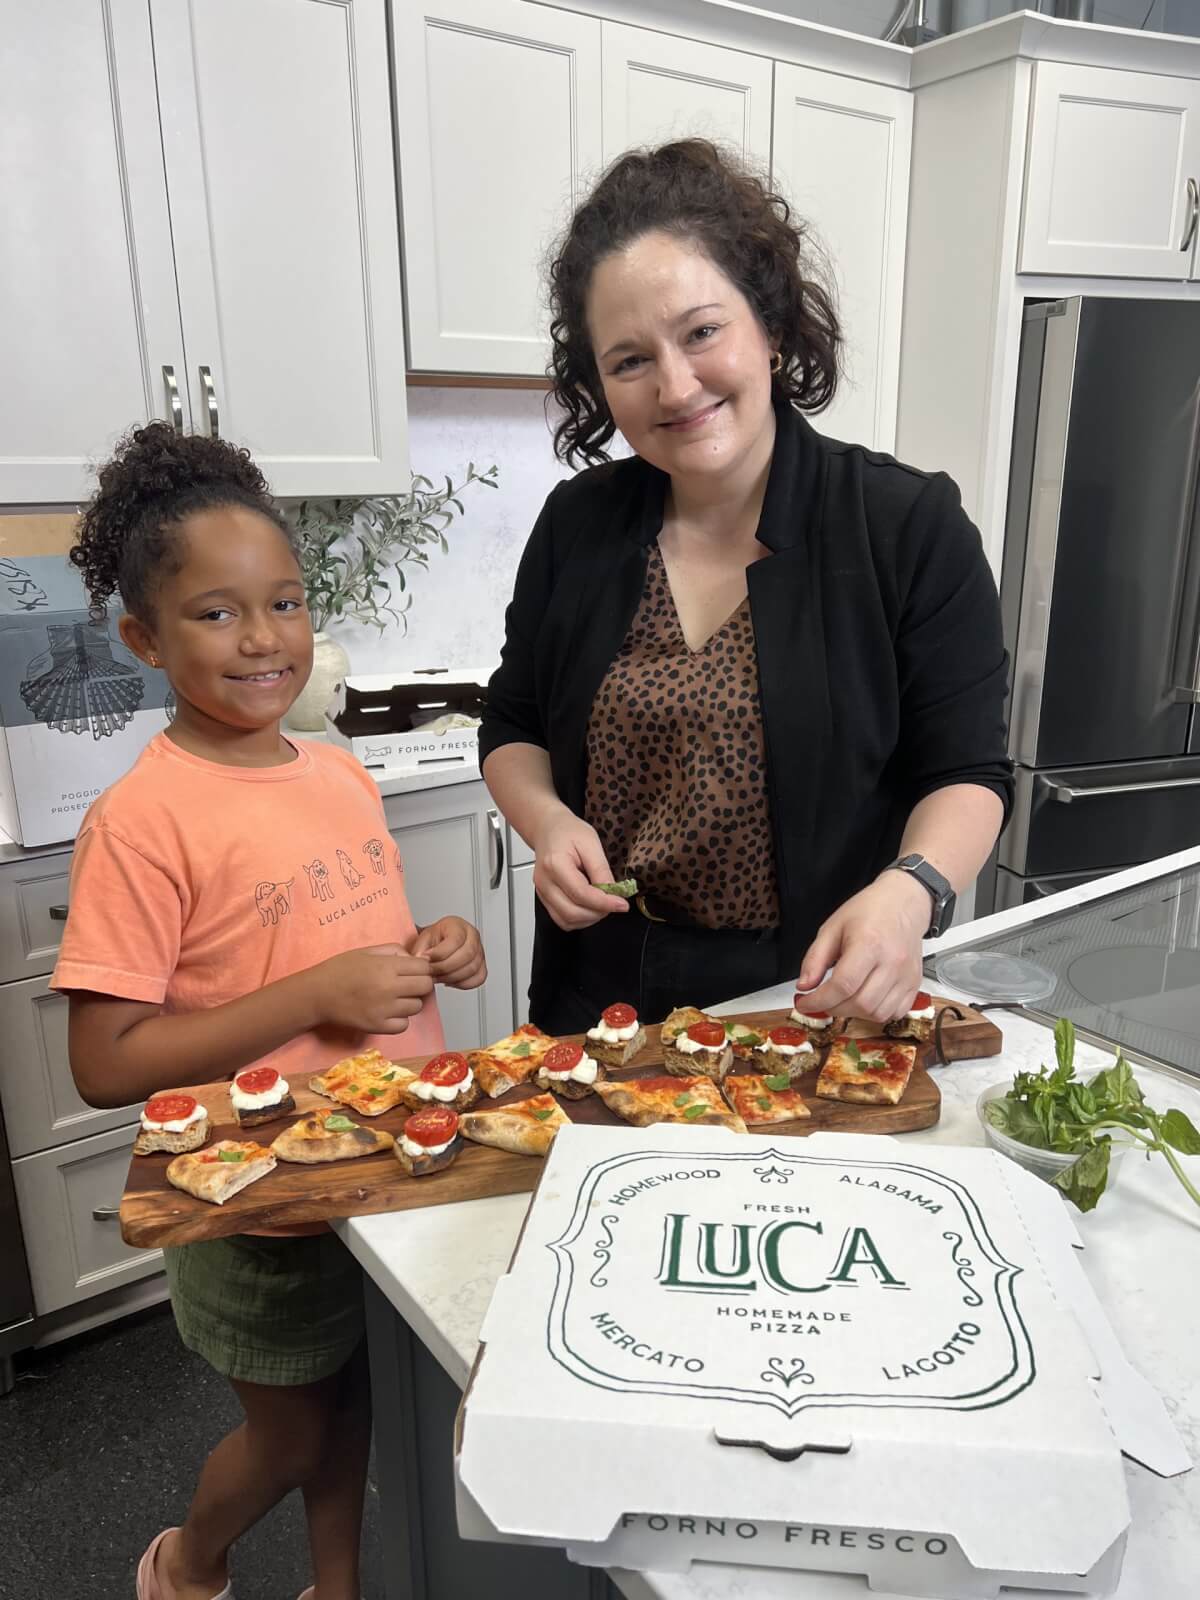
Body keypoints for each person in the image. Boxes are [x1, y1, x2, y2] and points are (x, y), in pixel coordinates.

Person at [51, 423, 486, 1600]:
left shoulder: (335, 769)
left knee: (355, 1405)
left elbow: (344, 944)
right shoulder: (143, 821)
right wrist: (312, 996)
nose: (264, 639)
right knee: (290, 1433)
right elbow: (105, 1058)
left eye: (286, 602)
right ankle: (190, 1562)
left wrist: (429, 949)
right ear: (142, 636)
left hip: (388, 1162)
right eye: (217, 613)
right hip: (261, 1198)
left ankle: (335, 1586)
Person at [480, 139, 1013, 1035]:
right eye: (629, 360)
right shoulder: (579, 527)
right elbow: (514, 722)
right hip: (598, 993)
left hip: (808, 994)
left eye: (701, 332)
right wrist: (545, 822)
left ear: (768, 327)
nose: (676, 385)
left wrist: (910, 891)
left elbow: (967, 772)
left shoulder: (907, 528)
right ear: (599, 385)